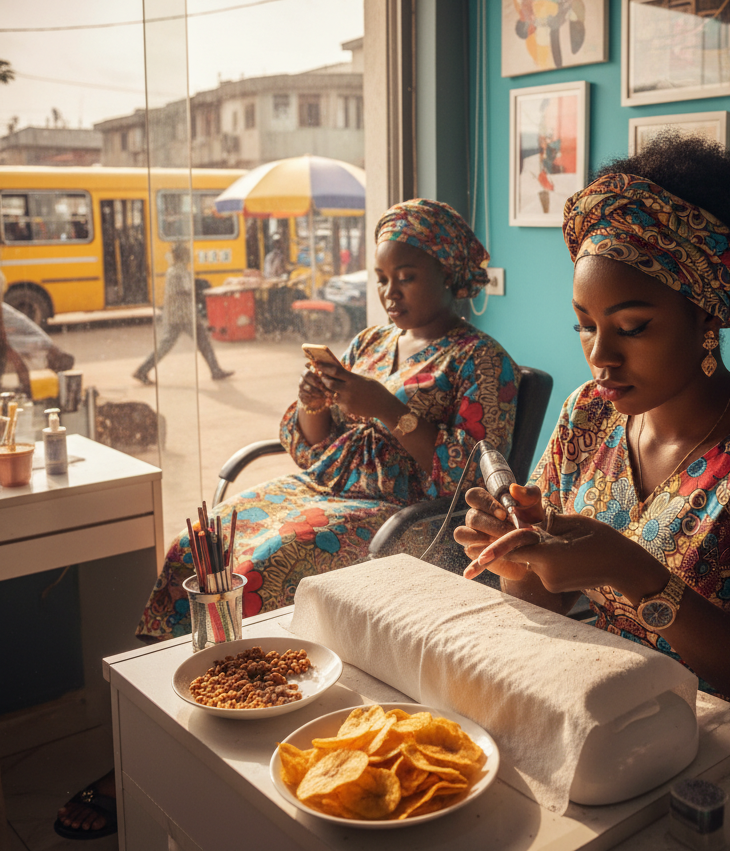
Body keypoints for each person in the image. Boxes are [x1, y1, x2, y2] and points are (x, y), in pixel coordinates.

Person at [455, 135, 730, 716]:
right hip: (600, 708)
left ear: (707, 315)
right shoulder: (590, 413)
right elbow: (547, 603)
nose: (600, 356)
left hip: (722, 747)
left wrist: (634, 573)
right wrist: (519, 563)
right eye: (585, 325)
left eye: (631, 327)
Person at [136, 198, 519, 641]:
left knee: (263, 564)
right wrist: (311, 404)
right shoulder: (372, 341)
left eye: (406, 277)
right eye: (381, 279)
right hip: (324, 485)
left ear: (449, 273)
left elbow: (472, 479)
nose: (389, 292)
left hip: (407, 514)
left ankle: (253, 677)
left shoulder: (482, 361)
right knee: (202, 542)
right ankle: (190, 664)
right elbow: (311, 448)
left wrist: (388, 409)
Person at [132, 242, 233, 384]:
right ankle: (215, 370)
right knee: (202, 342)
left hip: (175, 314)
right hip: (185, 314)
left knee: (167, 345)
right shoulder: (181, 271)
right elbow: (187, 289)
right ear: (183, 256)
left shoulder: (172, 270)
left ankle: (142, 370)